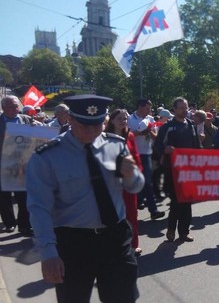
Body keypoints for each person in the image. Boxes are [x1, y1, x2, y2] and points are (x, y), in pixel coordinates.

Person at [26, 94, 145, 302]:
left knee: (123, 298)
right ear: (70, 119)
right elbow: (39, 208)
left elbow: (135, 188)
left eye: (97, 125)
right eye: (84, 126)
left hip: (115, 239)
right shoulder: (47, 156)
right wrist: (48, 253)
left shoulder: (116, 145)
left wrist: (132, 175)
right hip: (73, 244)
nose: (91, 132)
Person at [155, 97, 201, 242]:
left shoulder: (191, 125)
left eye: (186, 107)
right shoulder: (167, 127)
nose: (184, 110)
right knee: (176, 201)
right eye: (181, 107)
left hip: (189, 169)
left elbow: (196, 147)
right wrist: (165, 149)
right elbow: (157, 146)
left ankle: (184, 232)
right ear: (174, 109)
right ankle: (171, 229)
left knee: (187, 201)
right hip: (172, 170)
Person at [105, 109, 144, 256]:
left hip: (128, 184)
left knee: (131, 214)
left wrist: (136, 175)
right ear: (112, 120)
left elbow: (136, 158)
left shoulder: (131, 136)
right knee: (113, 216)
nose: (123, 121)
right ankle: (115, 245)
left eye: (125, 119)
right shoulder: (105, 138)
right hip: (112, 184)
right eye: (120, 118)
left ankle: (133, 245)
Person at [0, 95, 35, 236]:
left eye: (16, 105)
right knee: (4, 197)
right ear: (3, 108)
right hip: (3, 165)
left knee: (24, 197)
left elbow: (36, 136)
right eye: (12, 106)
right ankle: (9, 223)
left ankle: (24, 226)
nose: (15, 108)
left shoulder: (26, 120)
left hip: (22, 166)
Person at [127, 98, 164, 220]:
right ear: (140, 107)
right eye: (147, 108)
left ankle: (152, 210)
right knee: (135, 180)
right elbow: (126, 135)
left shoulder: (150, 119)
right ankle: (138, 203)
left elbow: (155, 137)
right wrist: (138, 132)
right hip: (132, 154)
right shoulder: (129, 119)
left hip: (147, 153)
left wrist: (149, 131)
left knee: (147, 181)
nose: (149, 110)